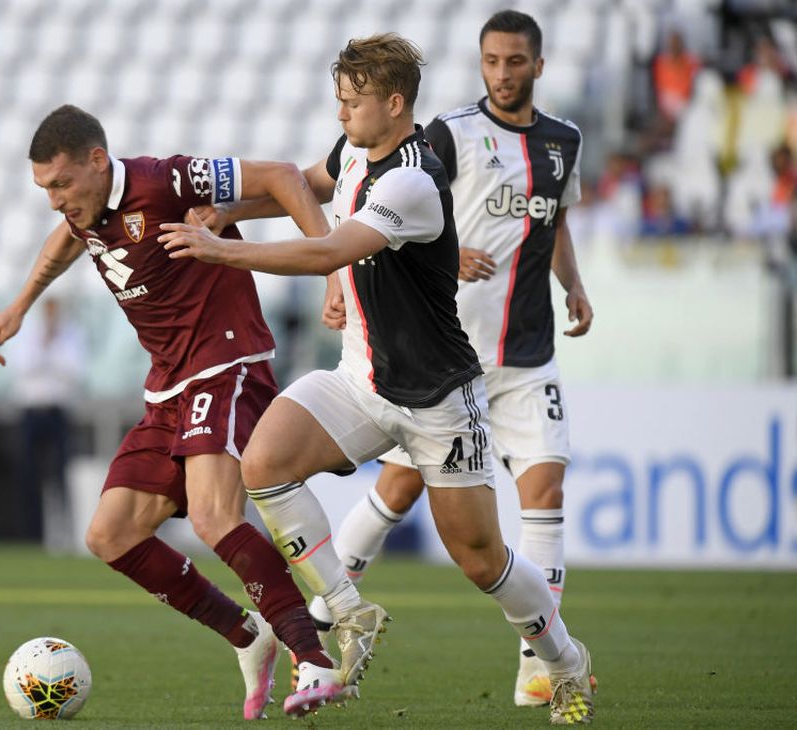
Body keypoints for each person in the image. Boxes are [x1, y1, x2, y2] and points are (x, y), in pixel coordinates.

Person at [161, 32, 596, 725]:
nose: (341, 116)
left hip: (438, 401)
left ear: (394, 104)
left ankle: (567, 663)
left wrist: (223, 253)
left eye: (352, 104)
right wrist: (231, 213)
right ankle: (348, 611)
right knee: (265, 463)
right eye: (338, 101)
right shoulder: (358, 152)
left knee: (481, 560)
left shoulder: (413, 182)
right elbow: (305, 185)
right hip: (362, 381)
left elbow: (333, 247)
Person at [0, 105, 353, 719]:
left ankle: (313, 658)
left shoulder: (165, 181)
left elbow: (284, 176)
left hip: (226, 362)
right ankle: (248, 636)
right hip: (167, 386)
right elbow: (64, 242)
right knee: (109, 534)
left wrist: (332, 268)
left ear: (99, 162)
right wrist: (20, 306)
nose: (54, 200)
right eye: (45, 189)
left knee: (211, 515)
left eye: (62, 184)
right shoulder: (85, 213)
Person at [282, 11, 596, 713]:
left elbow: (551, 218)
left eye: (516, 61)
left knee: (530, 508)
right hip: (429, 348)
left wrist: (572, 283)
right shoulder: (449, 134)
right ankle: (338, 613)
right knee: (390, 493)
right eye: (492, 60)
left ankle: (544, 665)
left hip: (518, 355)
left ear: (537, 66)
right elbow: (404, 216)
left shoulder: (562, 143)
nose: (503, 73)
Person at [7, 296, 87, 542]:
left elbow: (76, 371)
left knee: (61, 473)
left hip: (57, 411)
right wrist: (46, 349)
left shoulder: (73, 333)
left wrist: (48, 357)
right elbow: (22, 366)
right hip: (31, 410)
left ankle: (64, 534)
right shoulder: (27, 331)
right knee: (29, 475)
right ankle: (31, 534)